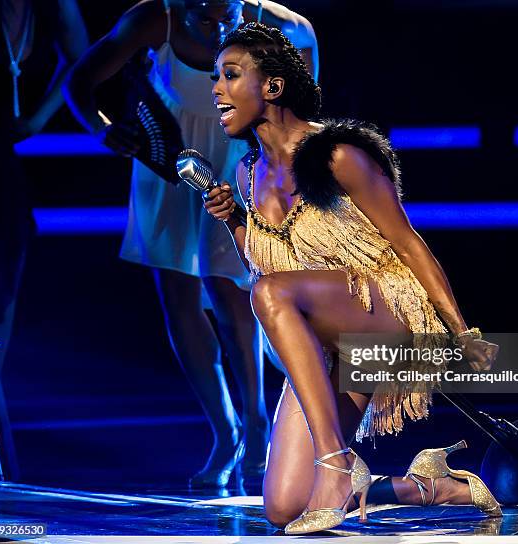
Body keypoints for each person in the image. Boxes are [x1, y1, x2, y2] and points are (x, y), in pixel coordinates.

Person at [204, 22, 502, 533]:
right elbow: (266, 266)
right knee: (283, 507)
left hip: (385, 314)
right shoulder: (247, 174)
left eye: (230, 75)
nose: (216, 89)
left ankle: (337, 464)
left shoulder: (340, 155)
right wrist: (235, 221)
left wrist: (460, 332)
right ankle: (425, 484)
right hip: (324, 341)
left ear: (272, 87)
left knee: (270, 293)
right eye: (215, 77)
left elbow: (408, 243)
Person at [63, 0, 318, 489]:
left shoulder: (277, 25)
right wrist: (103, 129)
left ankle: (257, 421)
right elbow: (81, 79)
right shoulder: (153, 18)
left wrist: (290, 156)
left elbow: (305, 73)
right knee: (179, 295)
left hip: (238, 163)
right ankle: (225, 431)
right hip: (170, 165)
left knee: (229, 287)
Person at [0, 0, 88, 477]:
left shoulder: (54, 8)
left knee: (3, 269)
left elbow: (81, 61)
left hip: (0, 153)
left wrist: (41, 117)